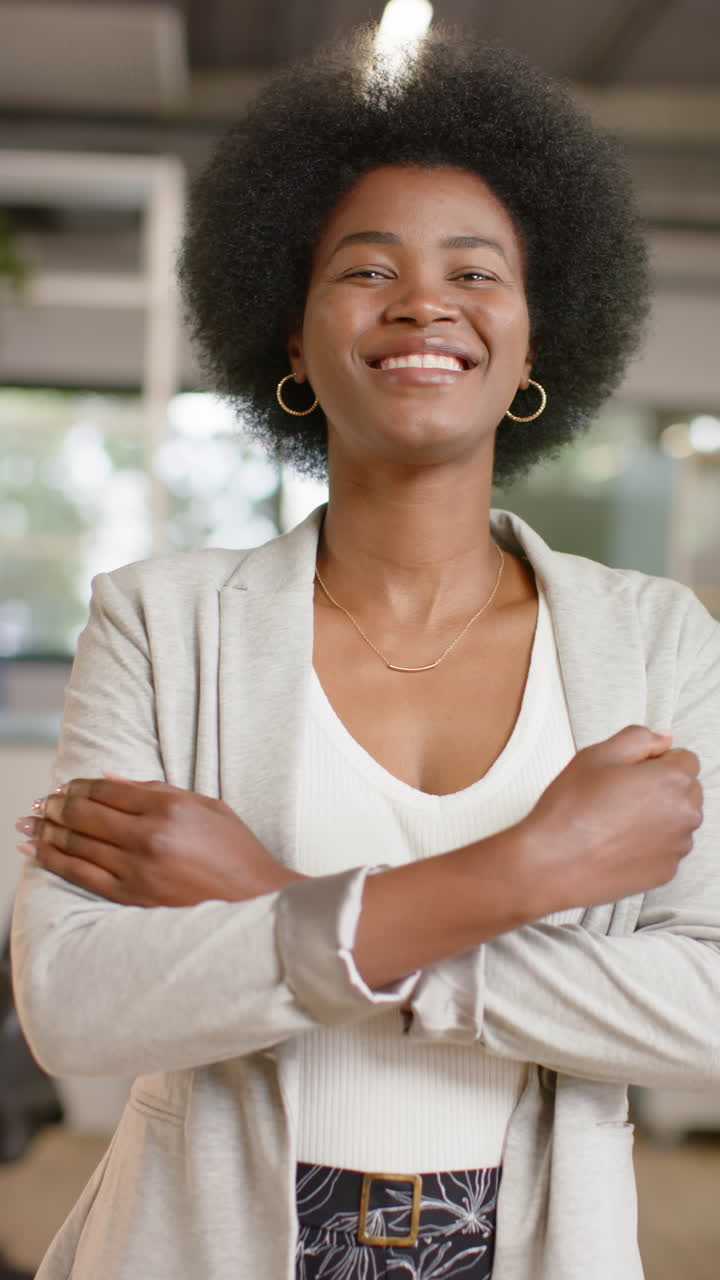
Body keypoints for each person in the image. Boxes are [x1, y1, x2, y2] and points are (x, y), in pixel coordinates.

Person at [10, 25, 719, 1280]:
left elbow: (708, 1010)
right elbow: (75, 1002)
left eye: (476, 271)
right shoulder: (161, 622)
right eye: (365, 267)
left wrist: (272, 899)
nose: (423, 302)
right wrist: (527, 868)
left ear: (539, 340)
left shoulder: (655, 640)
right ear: (290, 340)